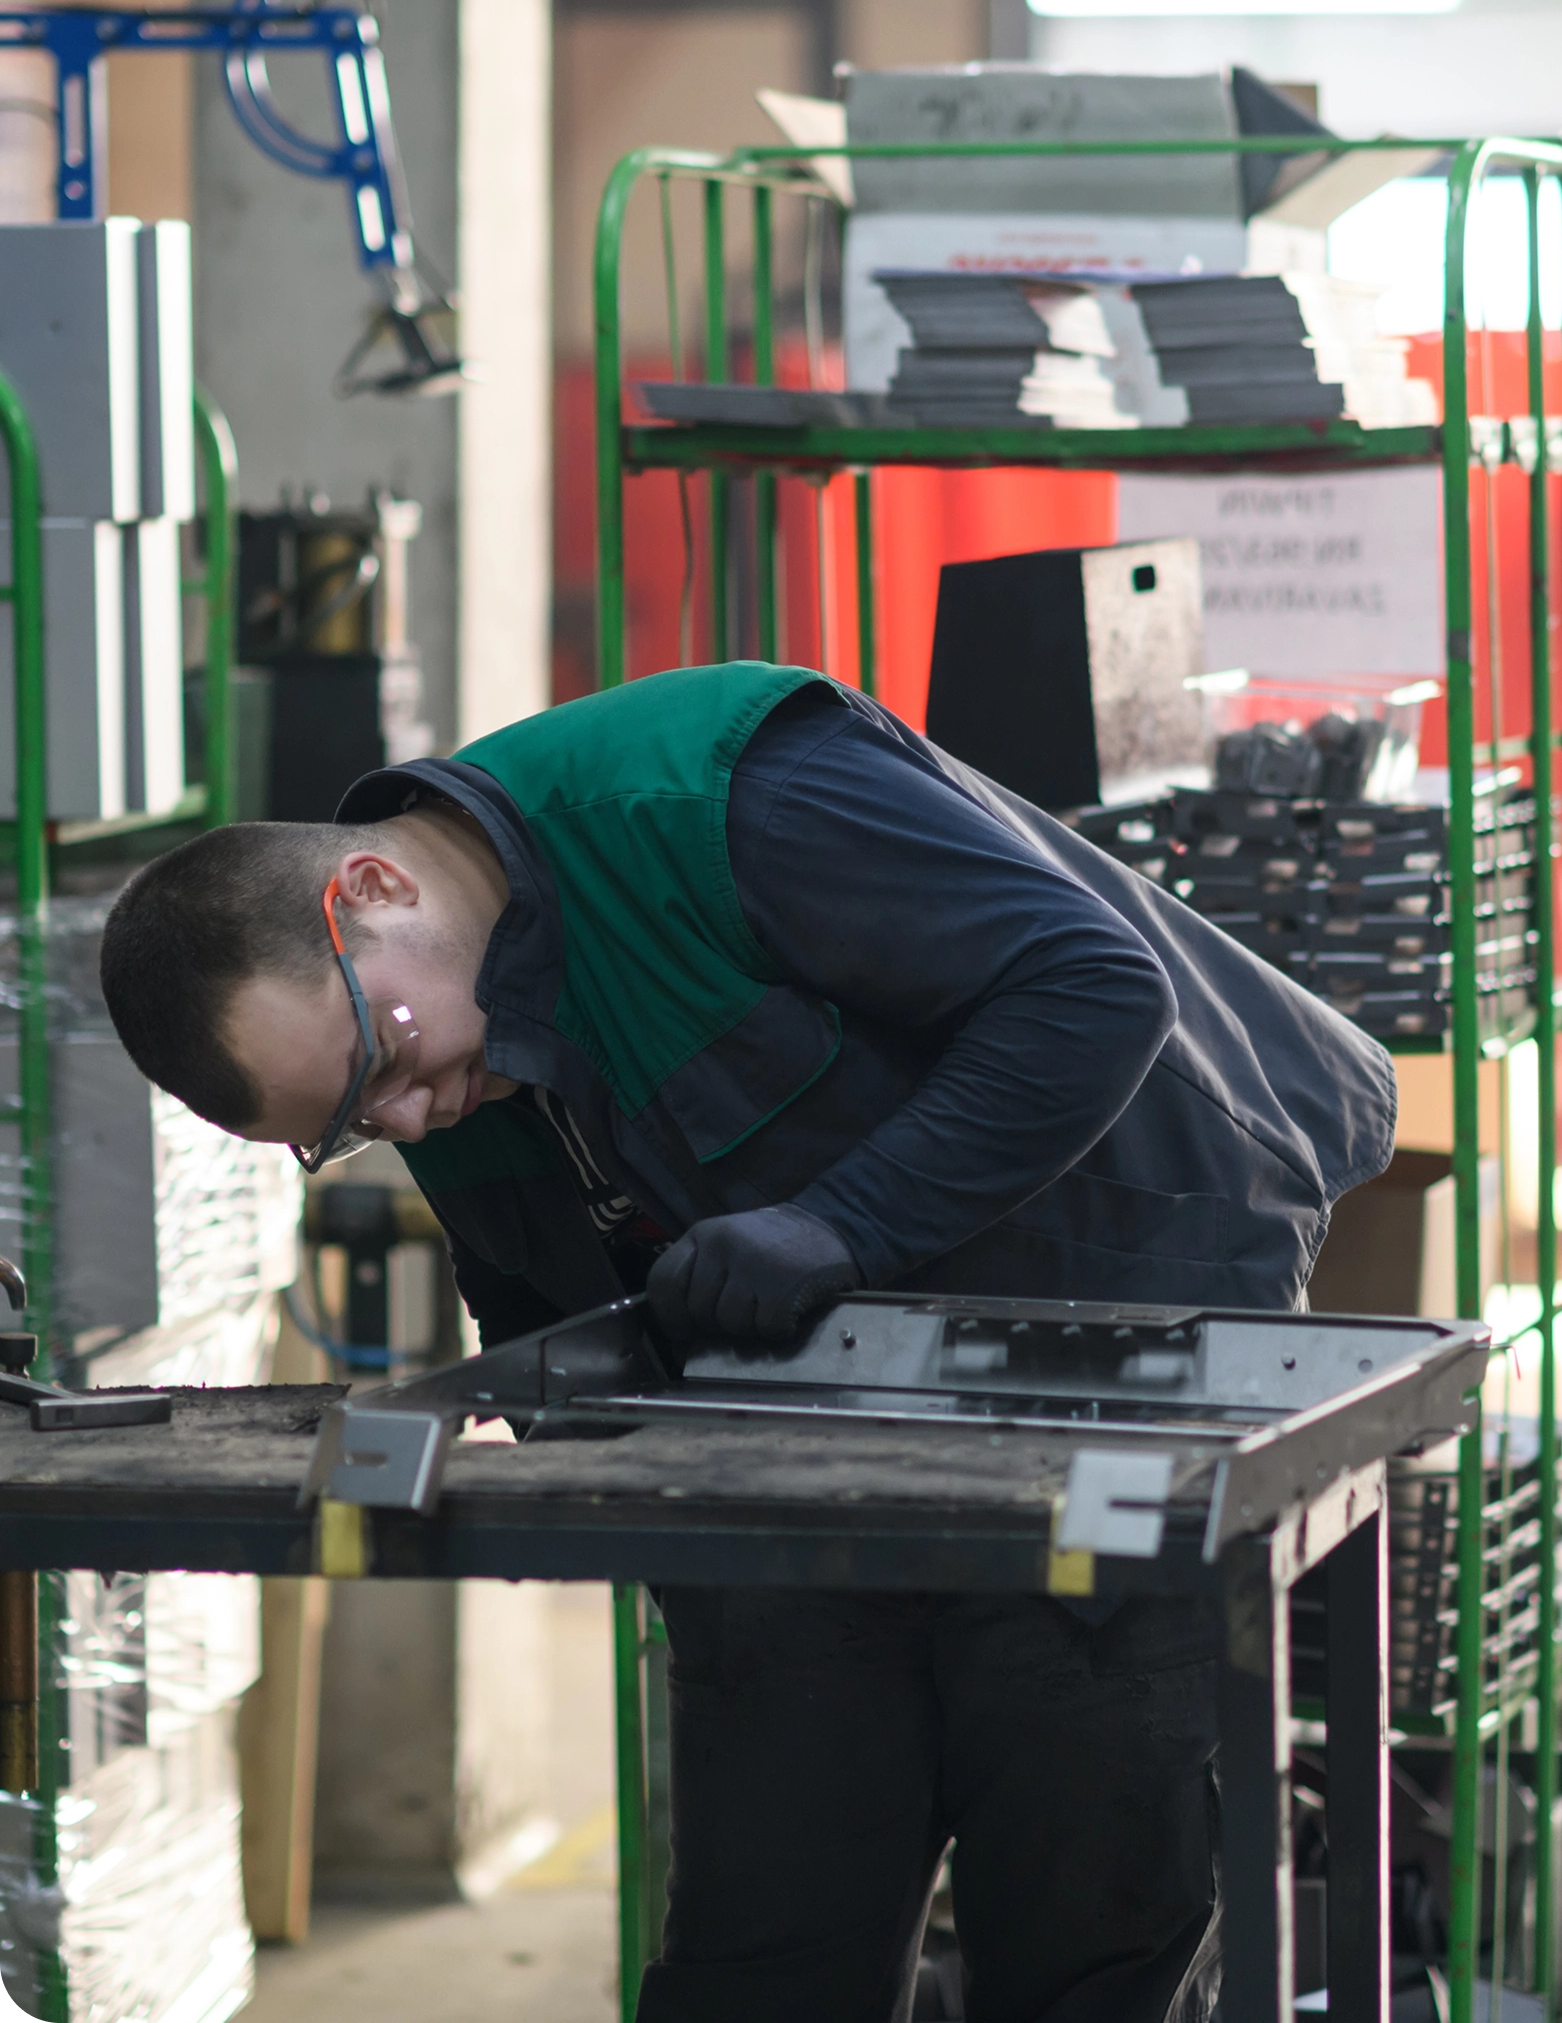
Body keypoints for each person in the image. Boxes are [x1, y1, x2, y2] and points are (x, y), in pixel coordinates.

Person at [101, 661, 1395, 2023]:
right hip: (812, 1420)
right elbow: (542, 1308)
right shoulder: (450, 1042)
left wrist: (841, 1224)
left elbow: (1093, 990)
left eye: (383, 1061)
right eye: (355, 1123)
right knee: (768, 1940)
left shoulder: (719, 803)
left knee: (1083, 1912)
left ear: (371, 893)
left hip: (1115, 1317)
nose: (412, 1117)